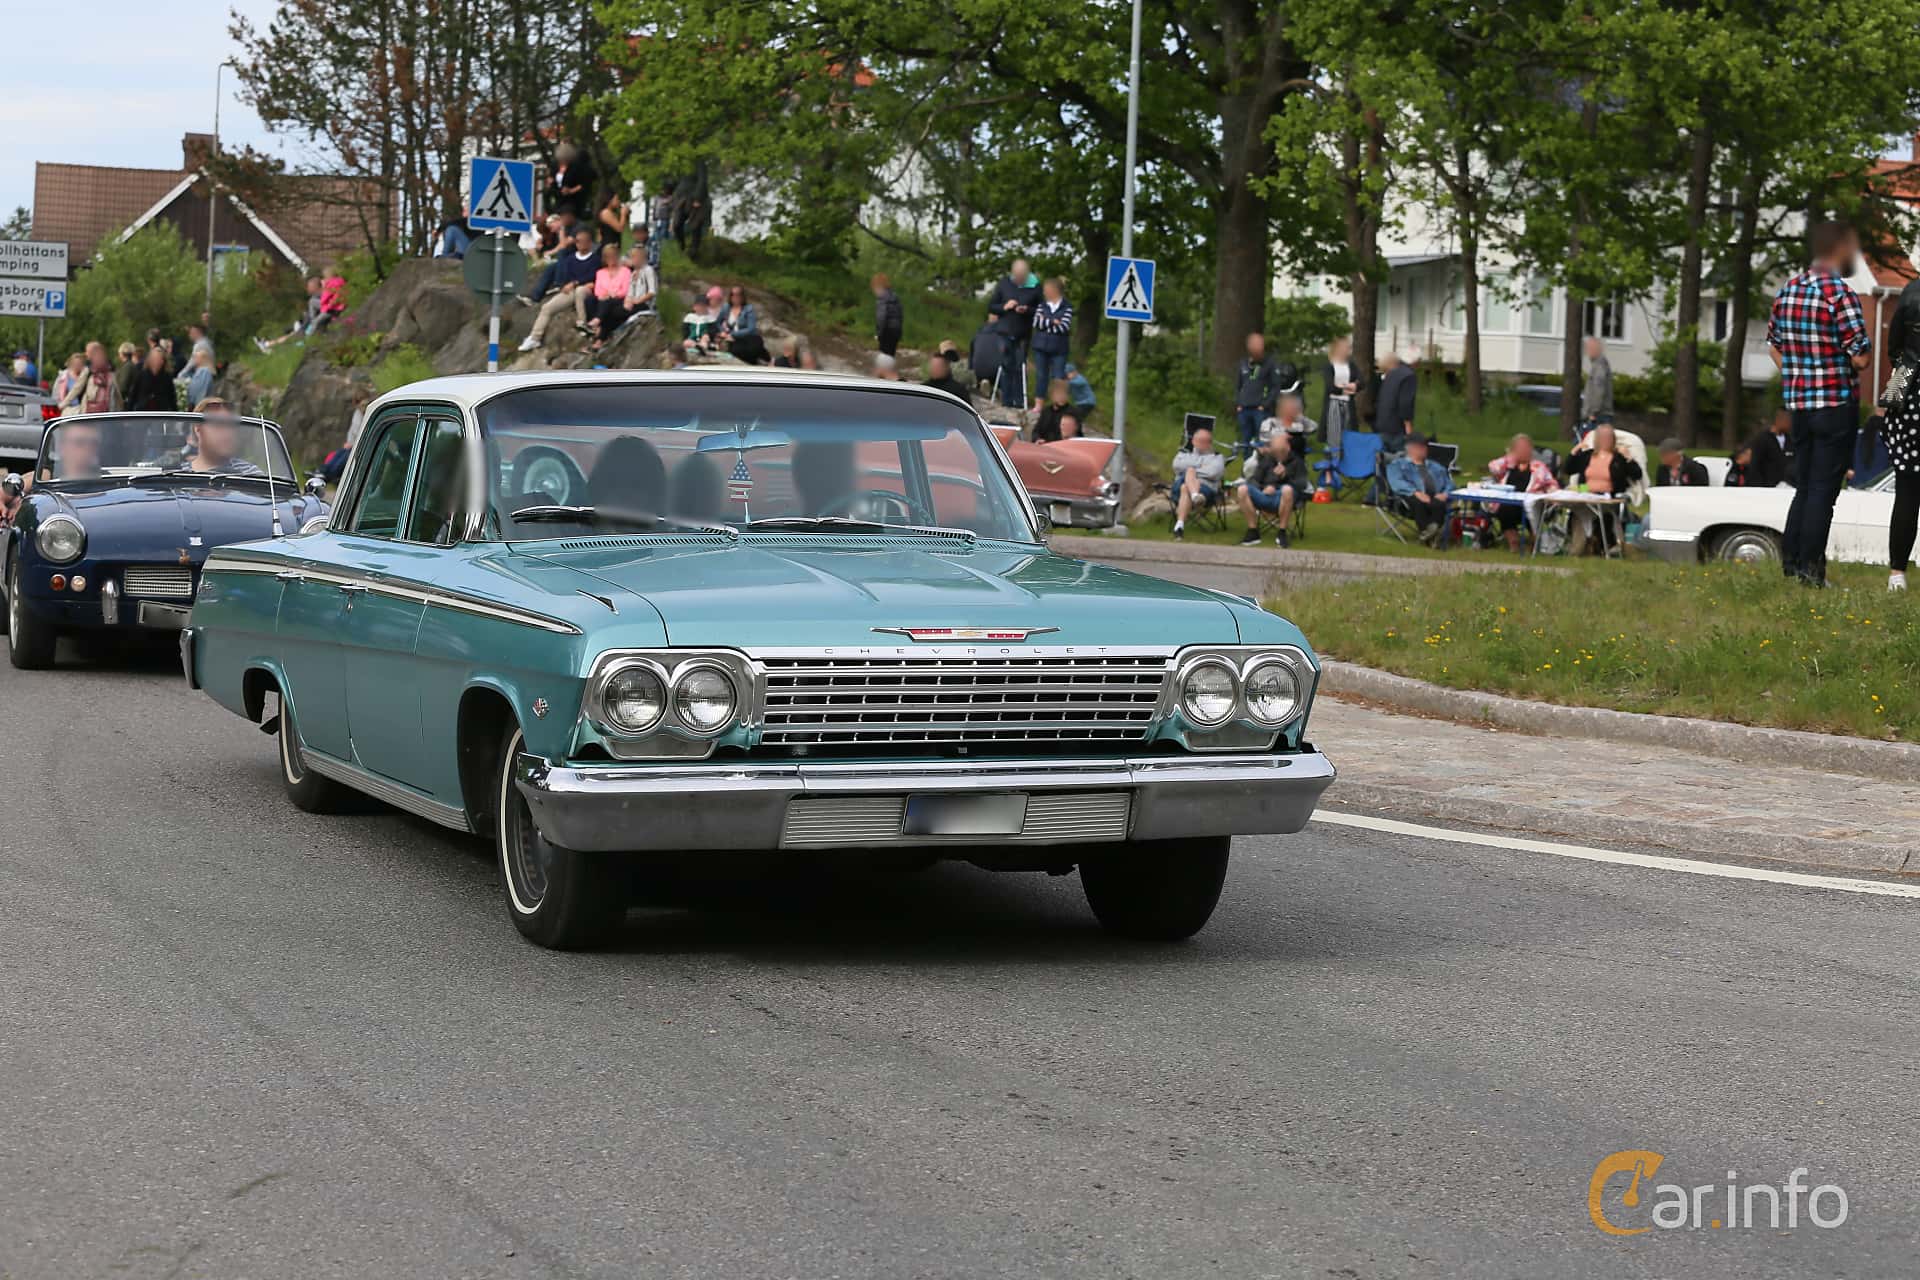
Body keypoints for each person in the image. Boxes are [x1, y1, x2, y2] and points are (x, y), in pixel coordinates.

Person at [1768, 219, 1871, 586]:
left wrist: (1797, 373)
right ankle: (1812, 572)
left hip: (1799, 405)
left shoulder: (1788, 290)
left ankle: (1792, 563)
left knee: (1804, 486)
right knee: (1823, 493)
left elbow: (1774, 346)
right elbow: (1860, 358)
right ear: (1839, 247)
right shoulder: (1839, 294)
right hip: (1834, 402)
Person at [1881, 272, 1920, 590]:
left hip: (1909, 394)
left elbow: (1893, 346)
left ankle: (1897, 574)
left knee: (1907, 491)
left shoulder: (1910, 292)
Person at [1560, 424, 1641, 554]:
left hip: (1608, 495)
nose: (1605, 440)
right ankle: (1577, 547)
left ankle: (1601, 544)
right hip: (1585, 492)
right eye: (1602, 437)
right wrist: (1574, 452)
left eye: (1608, 437)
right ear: (1597, 439)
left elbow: (1637, 475)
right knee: (1577, 508)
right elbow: (1568, 469)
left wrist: (1629, 458)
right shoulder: (1587, 456)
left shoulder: (1618, 458)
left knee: (1601, 513)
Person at [518, 227, 601, 351]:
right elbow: (566, 275)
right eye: (577, 241)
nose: (579, 244)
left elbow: (592, 276)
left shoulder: (595, 259)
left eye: (582, 241)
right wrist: (565, 285)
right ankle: (535, 338)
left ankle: (582, 323)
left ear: (589, 243)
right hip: (570, 290)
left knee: (580, 291)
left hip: (585, 288)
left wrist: (575, 283)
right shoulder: (571, 259)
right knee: (547, 308)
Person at [1485, 433, 1557, 552]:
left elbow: (1552, 484)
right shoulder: (1508, 466)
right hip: (1510, 503)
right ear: (1513, 450)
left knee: (1532, 510)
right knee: (1504, 509)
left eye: (1527, 447)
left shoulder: (1539, 467)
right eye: (1520, 448)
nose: (1525, 451)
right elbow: (1493, 467)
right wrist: (1509, 458)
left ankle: (1535, 542)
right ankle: (1514, 541)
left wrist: (1550, 494)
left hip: (1531, 504)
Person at [1236, 430, 1308, 547]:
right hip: (1264, 495)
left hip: (1283, 498)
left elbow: (1302, 485)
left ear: (1288, 447)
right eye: (1275, 450)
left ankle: (1282, 532)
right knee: (1242, 489)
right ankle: (1253, 531)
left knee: (1287, 490)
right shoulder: (1268, 460)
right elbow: (1254, 479)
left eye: (1280, 451)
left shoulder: (1297, 462)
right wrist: (1263, 487)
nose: (1277, 454)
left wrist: (1285, 476)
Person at [986, 257, 1041, 408]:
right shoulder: (1004, 283)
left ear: (1027, 274)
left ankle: (1019, 401)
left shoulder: (1035, 286)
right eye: (1016, 276)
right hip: (1004, 331)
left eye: (1021, 277)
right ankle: (1006, 400)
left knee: (1019, 366)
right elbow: (991, 307)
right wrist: (1005, 306)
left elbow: (1041, 310)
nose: (1018, 280)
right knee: (1006, 365)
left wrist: (1027, 310)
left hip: (1023, 333)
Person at [1387, 432, 1450, 545]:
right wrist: (1415, 492)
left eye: (1425, 446)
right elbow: (1396, 482)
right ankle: (1430, 536)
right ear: (1411, 448)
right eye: (1421, 446)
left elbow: (1449, 483)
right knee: (1419, 503)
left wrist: (1445, 493)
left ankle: (1429, 535)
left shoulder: (1435, 466)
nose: (1425, 449)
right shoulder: (1398, 465)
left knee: (1440, 504)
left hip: (1434, 496)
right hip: (1408, 498)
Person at [1169, 424, 1225, 540]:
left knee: (1186, 486)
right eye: (1199, 441)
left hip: (1206, 491)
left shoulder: (1217, 457)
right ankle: (1195, 495)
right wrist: (1199, 467)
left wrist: (1192, 470)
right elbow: (1176, 466)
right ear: (1193, 441)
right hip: (1180, 489)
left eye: (1205, 441)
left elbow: (1213, 473)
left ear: (1210, 443)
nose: (1201, 444)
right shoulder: (1184, 453)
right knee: (1189, 472)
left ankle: (1179, 526)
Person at [1232, 333, 1281, 457]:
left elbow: (1275, 387)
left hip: (1260, 410)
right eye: (1254, 344)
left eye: (1259, 344)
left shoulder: (1269, 364)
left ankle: (1262, 469)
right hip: (1244, 409)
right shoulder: (1243, 364)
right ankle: (1247, 468)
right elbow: (1238, 385)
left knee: (1262, 441)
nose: (1256, 348)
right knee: (1246, 441)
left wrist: (1265, 405)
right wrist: (1239, 403)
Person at [187, 402, 264, 475]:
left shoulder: (250, 473)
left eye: (231, 425)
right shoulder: (179, 473)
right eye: (218, 425)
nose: (227, 432)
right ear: (198, 429)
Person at [1030, 277, 1073, 402]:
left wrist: (1046, 322)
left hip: (1059, 348)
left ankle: (1058, 403)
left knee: (1058, 377)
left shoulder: (1067, 307)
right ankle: (1039, 404)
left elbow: (1063, 327)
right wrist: (1053, 322)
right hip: (1041, 346)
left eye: (1046, 290)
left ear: (1054, 290)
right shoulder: (1042, 306)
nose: (1044, 293)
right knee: (1041, 376)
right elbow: (1037, 323)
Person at [1318, 335, 1360, 452]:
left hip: (1348, 403)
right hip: (1333, 403)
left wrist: (1355, 385)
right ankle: (1333, 457)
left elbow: (1361, 381)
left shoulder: (1351, 366)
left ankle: (1347, 458)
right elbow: (1331, 387)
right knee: (1334, 434)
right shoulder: (1329, 367)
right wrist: (1346, 389)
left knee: (1348, 432)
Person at [586, 244, 631, 344]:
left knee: (607, 303)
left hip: (618, 299)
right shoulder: (600, 272)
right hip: (603, 299)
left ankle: (597, 323)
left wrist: (612, 295)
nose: (611, 258)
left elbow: (626, 290)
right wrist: (604, 295)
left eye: (613, 255)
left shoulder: (625, 271)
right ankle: (597, 327)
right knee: (590, 300)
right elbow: (597, 290)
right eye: (608, 256)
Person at [1374, 349, 1417, 453]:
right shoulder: (1408, 376)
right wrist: (1408, 427)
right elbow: (1405, 404)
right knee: (1400, 461)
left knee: (1383, 461)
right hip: (1397, 428)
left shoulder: (1388, 376)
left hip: (1382, 425)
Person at [546, 142, 597, 220]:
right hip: (558, 198)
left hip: (573, 201)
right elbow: (551, 178)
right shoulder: (555, 166)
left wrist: (571, 190)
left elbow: (584, 184)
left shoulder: (577, 167)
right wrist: (551, 182)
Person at [716, 285, 765, 364]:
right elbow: (718, 322)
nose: (735, 297)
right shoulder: (726, 307)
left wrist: (732, 334)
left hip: (748, 337)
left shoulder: (748, 309)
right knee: (735, 350)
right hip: (733, 339)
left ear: (742, 296)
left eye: (738, 295)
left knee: (752, 349)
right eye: (733, 294)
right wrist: (723, 332)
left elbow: (751, 328)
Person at [1748, 410, 1793, 487]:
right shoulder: (1762, 439)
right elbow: (1755, 465)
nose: (1791, 424)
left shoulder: (1790, 440)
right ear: (1779, 421)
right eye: (1789, 421)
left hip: (1786, 487)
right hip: (1766, 488)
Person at [1580, 334, 1613, 437]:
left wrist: (1593, 412)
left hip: (1598, 416)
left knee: (1586, 446)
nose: (1587, 351)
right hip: (1598, 415)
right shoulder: (1597, 365)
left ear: (1598, 349)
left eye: (1590, 348)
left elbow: (1599, 389)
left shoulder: (1599, 366)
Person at [128, 346, 178, 412]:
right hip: (143, 412)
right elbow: (133, 395)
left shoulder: (167, 377)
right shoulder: (141, 375)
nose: (156, 361)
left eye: (159, 359)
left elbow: (172, 397)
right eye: (154, 358)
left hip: (161, 412)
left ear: (163, 361)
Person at [75, 347, 118, 415]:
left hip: (106, 411)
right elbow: (77, 389)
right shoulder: (89, 371)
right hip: (91, 411)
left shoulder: (110, 374)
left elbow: (116, 394)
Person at [871, 273, 903, 357]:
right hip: (896, 331)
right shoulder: (895, 297)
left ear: (878, 286)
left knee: (884, 357)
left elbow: (881, 317)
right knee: (890, 357)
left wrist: (878, 334)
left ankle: (883, 369)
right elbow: (900, 315)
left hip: (886, 331)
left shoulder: (882, 298)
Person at [113, 342, 140, 407]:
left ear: (122, 354)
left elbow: (123, 387)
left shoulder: (127, 367)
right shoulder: (130, 365)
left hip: (126, 403)